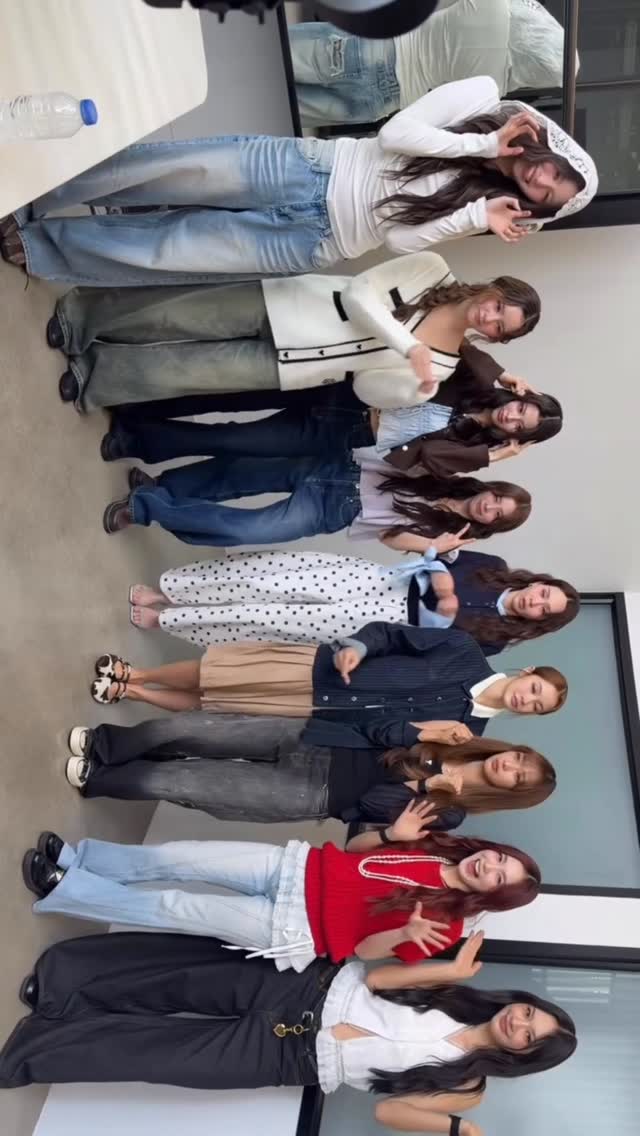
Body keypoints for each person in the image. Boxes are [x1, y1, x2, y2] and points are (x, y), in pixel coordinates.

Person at [0, 76, 596, 285]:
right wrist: (481, 145)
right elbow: (395, 134)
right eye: (555, 171)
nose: (540, 179)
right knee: (161, 172)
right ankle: (34, 187)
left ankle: (40, 246)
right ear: (554, 147)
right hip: (313, 169)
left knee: (169, 248)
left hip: (315, 241)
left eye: (546, 195)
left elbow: (398, 240)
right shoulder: (482, 99)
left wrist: (473, 217)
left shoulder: (485, 207)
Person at [0, 932, 577, 1101]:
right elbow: (377, 979)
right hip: (310, 990)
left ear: (524, 1056)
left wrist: (456, 1128)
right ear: (519, 1001)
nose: (519, 1024)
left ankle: (34, 1048)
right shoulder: (459, 995)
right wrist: (449, 972)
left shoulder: (467, 1084)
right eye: (529, 1013)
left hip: (293, 1058)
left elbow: (388, 1112)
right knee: (176, 978)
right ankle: (64, 986)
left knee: (155, 1055)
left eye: (530, 1036)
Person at [47, 252, 540, 411]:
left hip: (299, 368)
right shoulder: (432, 270)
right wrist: (408, 346)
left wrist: (417, 389)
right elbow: (360, 294)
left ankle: (97, 376)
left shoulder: (444, 366)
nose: (489, 317)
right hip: (287, 306)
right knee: (173, 314)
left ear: (498, 339)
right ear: (495, 288)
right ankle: (80, 317)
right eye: (499, 306)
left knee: (183, 373)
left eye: (500, 326)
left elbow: (366, 388)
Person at [21, 820, 541, 965]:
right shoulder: (440, 846)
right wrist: (391, 834)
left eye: (499, 878)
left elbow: (362, 953)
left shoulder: (445, 929)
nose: (489, 866)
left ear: (493, 897)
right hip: (295, 866)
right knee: (181, 856)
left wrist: (404, 933)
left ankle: (68, 889)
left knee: (175, 906)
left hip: (294, 928)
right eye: (500, 858)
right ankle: (83, 859)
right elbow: (355, 849)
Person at [85, 624, 568, 752]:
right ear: (527, 672)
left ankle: (132, 693)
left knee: (216, 706)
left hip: (322, 717)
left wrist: (425, 732)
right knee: (216, 674)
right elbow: (389, 635)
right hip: (322, 671)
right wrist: (358, 646)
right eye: (534, 689)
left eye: (535, 707)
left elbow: (390, 738)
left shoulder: (467, 733)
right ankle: (137, 673)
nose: (526, 699)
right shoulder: (463, 650)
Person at [102, 379, 561, 507]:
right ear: (518, 397)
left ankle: (138, 441)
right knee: (229, 396)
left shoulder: (470, 451)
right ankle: (136, 412)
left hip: (341, 433)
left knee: (234, 438)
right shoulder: (473, 383)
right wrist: (503, 374)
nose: (512, 416)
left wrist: (490, 456)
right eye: (521, 408)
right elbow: (467, 351)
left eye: (520, 426)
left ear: (516, 437)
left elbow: (426, 459)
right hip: (342, 393)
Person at [63, 712, 557, 831]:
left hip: (313, 792)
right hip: (315, 738)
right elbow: (376, 726)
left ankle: (97, 778)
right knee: (192, 729)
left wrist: (425, 785)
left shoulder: (450, 813)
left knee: (187, 782)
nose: (509, 767)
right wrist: (420, 728)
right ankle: (109, 745)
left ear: (510, 794)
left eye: (518, 778)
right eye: (519, 758)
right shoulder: (458, 733)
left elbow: (367, 808)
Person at [101, 428, 533, 547]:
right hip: (338, 469)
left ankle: (147, 506)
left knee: (244, 530)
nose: (489, 507)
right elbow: (424, 453)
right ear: (491, 488)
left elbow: (390, 537)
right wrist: (491, 456)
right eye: (497, 498)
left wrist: (434, 547)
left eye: (498, 514)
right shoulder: (451, 473)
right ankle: (160, 488)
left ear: (494, 525)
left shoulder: (446, 539)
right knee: (237, 474)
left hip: (335, 511)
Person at [125, 548, 579, 655]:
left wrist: (437, 621)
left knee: (270, 619)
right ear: (539, 582)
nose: (535, 602)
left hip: (380, 623)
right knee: (274, 579)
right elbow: (435, 554)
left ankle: (172, 621)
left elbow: (428, 649)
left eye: (544, 610)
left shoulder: (494, 643)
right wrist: (442, 588)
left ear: (540, 623)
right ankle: (171, 592)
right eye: (544, 593)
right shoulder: (493, 565)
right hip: (379, 580)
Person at [290, 1, 574, 128]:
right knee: (284, 108)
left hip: (376, 49)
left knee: (275, 59)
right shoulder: (494, 88)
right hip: (384, 101)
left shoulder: (494, 7)